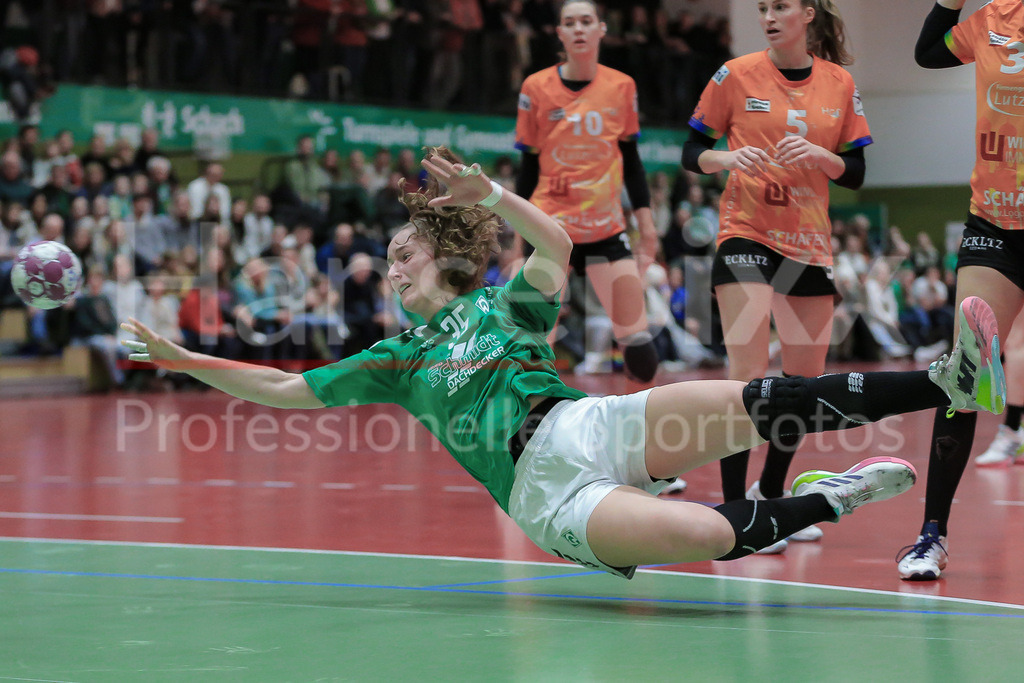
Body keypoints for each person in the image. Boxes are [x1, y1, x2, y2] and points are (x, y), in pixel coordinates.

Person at [120, 148, 1006, 578]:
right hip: (551, 498)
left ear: (443, 259)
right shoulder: (395, 357)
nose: (391, 271)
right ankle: (833, 496)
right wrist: (179, 356)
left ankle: (945, 379)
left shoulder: (502, 304)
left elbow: (557, 245)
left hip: (590, 422)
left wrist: (496, 195)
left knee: (766, 395)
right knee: (711, 534)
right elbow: (279, 384)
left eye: (403, 256)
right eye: (387, 263)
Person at [681, 0, 872, 552]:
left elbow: (856, 172)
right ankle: (737, 512)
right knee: (746, 378)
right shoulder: (735, 75)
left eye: (780, 6)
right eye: (762, 7)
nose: (768, 14)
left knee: (801, 386)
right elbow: (693, 150)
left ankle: (771, 495)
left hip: (809, 246)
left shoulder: (839, 84)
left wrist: (822, 155)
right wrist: (724, 160)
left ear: (807, 14)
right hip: (746, 234)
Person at [896, 0, 1024, 581]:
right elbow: (926, 53)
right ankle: (931, 535)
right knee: (965, 377)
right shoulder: (992, 19)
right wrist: (949, 2)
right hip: (994, 223)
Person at [514, 0, 660, 384]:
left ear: (601, 29)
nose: (578, 29)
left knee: (642, 355)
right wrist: (517, 239)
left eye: (586, 21)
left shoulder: (621, 86)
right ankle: (534, 436)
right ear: (559, 32)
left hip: (605, 231)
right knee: (533, 354)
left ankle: (637, 437)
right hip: (549, 232)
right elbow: (528, 168)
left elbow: (632, 160)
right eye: (569, 23)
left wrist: (647, 228)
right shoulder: (536, 87)